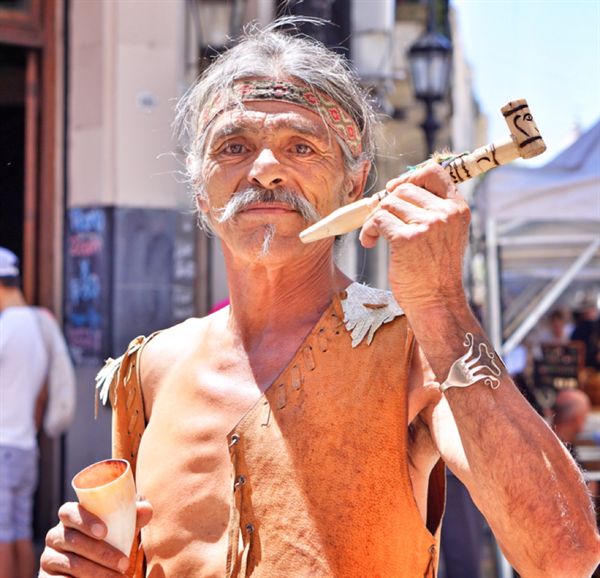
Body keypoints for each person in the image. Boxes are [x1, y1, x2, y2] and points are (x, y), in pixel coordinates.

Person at [39, 24, 600, 578]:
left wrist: (442, 305)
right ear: (199, 187)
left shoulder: (416, 350)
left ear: (354, 185)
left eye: (301, 147)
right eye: (233, 147)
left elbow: (564, 556)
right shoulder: (152, 368)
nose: (264, 170)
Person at [0, 248, 48, 578]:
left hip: (3, 446)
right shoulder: (36, 323)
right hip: (26, 447)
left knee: (2, 536)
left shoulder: (7, 327)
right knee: (21, 531)